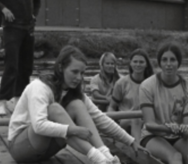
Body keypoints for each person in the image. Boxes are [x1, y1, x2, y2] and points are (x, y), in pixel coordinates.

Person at [8, 45, 140, 164]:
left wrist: (130, 141)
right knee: (54, 108)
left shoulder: (75, 93)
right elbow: (38, 126)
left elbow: (100, 119)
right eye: (75, 72)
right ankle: (98, 159)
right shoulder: (39, 87)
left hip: (46, 151)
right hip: (21, 148)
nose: (79, 78)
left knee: (77, 104)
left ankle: (106, 156)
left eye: (82, 73)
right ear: (60, 68)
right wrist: (73, 129)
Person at [139, 42, 188, 164]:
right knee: (176, 157)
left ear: (178, 63)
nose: (168, 64)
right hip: (152, 135)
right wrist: (167, 128)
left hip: (178, 136)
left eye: (173, 60)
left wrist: (184, 128)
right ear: (160, 63)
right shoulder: (147, 86)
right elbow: (149, 124)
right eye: (164, 60)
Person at [107, 48, 154, 135]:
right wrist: (112, 123)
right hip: (126, 121)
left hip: (147, 120)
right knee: (135, 120)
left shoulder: (153, 83)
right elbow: (112, 107)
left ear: (146, 64)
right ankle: (138, 146)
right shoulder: (121, 83)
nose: (138, 64)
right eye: (135, 62)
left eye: (141, 62)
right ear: (131, 63)